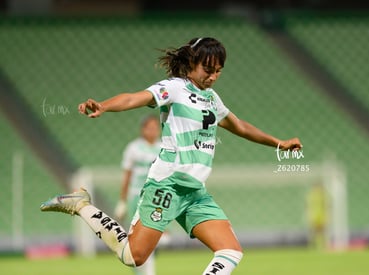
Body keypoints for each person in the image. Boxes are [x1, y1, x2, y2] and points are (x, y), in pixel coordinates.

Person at [40, 37, 302, 274]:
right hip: (167, 185)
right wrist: (104, 106)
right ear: (191, 63)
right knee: (133, 256)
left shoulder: (211, 98)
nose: (212, 77)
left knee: (230, 251)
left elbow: (240, 126)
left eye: (218, 71)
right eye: (207, 70)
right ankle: (81, 205)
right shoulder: (175, 88)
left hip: (195, 191)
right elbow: (135, 98)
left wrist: (280, 143)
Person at [114, 114, 162, 275]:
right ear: (143, 130)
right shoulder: (133, 148)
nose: (153, 131)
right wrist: (122, 201)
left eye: (156, 128)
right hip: (137, 196)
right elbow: (127, 175)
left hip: (156, 197)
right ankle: (141, 272)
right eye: (149, 128)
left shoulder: (163, 147)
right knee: (138, 238)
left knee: (152, 236)